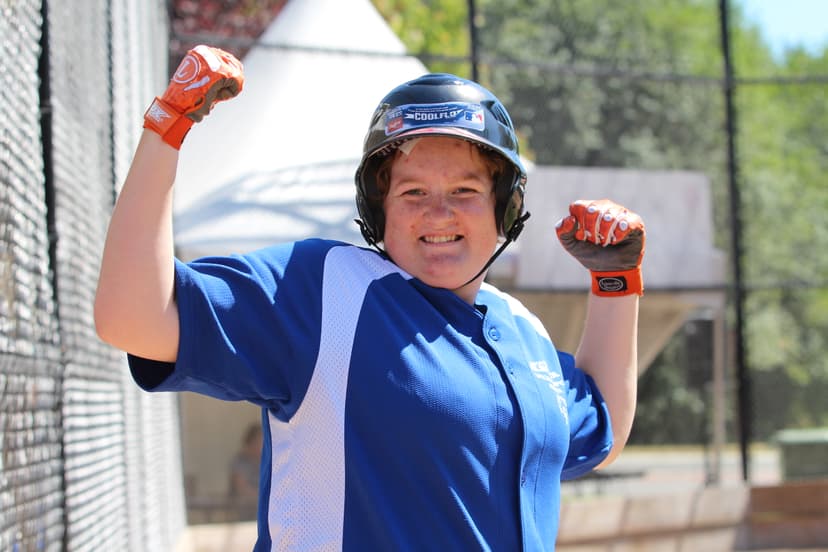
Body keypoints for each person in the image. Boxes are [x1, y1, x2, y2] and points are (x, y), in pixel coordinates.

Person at [95, 45, 645, 551]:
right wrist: (167, 128)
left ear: (504, 209)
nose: (439, 212)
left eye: (465, 191)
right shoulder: (326, 287)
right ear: (378, 212)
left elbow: (602, 429)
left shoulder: (521, 329)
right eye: (411, 192)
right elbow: (133, 317)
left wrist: (616, 282)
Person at [228, 424, 263, 520]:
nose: (262, 446)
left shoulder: (264, 462)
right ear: (250, 443)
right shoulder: (239, 462)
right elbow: (242, 489)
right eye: (259, 442)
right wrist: (264, 497)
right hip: (243, 516)